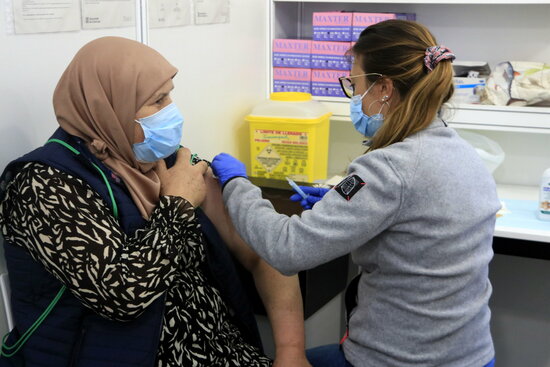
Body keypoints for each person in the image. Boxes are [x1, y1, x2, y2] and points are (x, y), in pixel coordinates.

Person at [0, 36, 311, 366]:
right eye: (158, 101)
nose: (172, 112)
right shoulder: (42, 184)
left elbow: (265, 247)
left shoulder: (162, 160)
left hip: (225, 353)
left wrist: (291, 350)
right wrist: (177, 204)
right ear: (110, 107)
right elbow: (120, 295)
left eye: (169, 95)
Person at [210, 20, 499, 367]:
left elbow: (287, 250)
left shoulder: (388, 168)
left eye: (355, 84)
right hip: (472, 356)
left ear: (384, 89)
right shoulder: (461, 152)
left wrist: (235, 185)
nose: (353, 96)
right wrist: (339, 201)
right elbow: (409, 211)